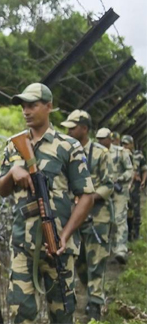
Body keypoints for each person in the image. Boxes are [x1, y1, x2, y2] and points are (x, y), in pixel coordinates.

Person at [0, 83, 94, 324]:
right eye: (23, 106)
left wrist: (66, 235)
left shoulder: (68, 146)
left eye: (32, 105)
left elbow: (87, 196)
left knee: (62, 314)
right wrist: (13, 172)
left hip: (57, 247)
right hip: (22, 244)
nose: (26, 111)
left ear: (49, 107)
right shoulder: (13, 145)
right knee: (21, 314)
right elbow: (2, 189)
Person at [62, 114, 113, 321]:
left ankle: (95, 303)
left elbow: (108, 184)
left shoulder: (100, 153)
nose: (68, 132)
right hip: (74, 216)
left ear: (84, 129)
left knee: (96, 260)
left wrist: (87, 198)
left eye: (72, 128)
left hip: (97, 215)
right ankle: (89, 292)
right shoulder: (65, 151)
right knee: (80, 262)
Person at [102, 132, 134, 264]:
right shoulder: (98, 152)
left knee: (120, 219)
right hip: (104, 191)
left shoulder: (121, 153)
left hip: (120, 191)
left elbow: (129, 170)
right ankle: (108, 250)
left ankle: (120, 249)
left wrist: (119, 178)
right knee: (107, 220)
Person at [122, 135, 146, 241]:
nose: (125, 146)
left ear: (132, 144)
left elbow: (144, 169)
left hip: (135, 186)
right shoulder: (120, 154)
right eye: (123, 144)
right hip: (124, 186)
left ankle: (135, 233)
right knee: (125, 210)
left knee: (136, 210)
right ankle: (127, 233)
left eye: (126, 144)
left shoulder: (138, 155)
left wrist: (143, 181)